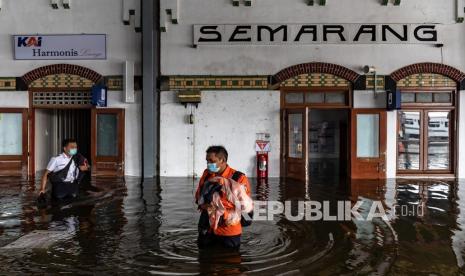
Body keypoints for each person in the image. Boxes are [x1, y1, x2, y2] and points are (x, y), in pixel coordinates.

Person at [195, 145, 251, 249]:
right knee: (204, 260)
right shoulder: (207, 174)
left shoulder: (239, 178)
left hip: (228, 231)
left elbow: (245, 207)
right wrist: (205, 206)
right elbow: (198, 196)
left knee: (229, 261)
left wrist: (220, 210)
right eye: (207, 161)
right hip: (207, 228)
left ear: (222, 160)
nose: (208, 164)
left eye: (211, 161)